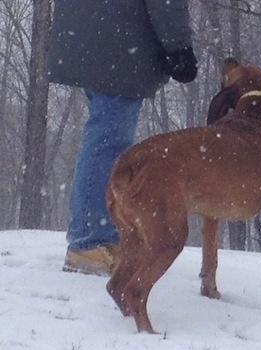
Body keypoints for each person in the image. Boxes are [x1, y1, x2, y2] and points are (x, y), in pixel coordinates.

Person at [47, 0, 197, 276]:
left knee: (104, 139)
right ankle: (89, 242)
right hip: (118, 44)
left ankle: (96, 236)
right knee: (107, 142)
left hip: (95, 37)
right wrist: (179, 48)